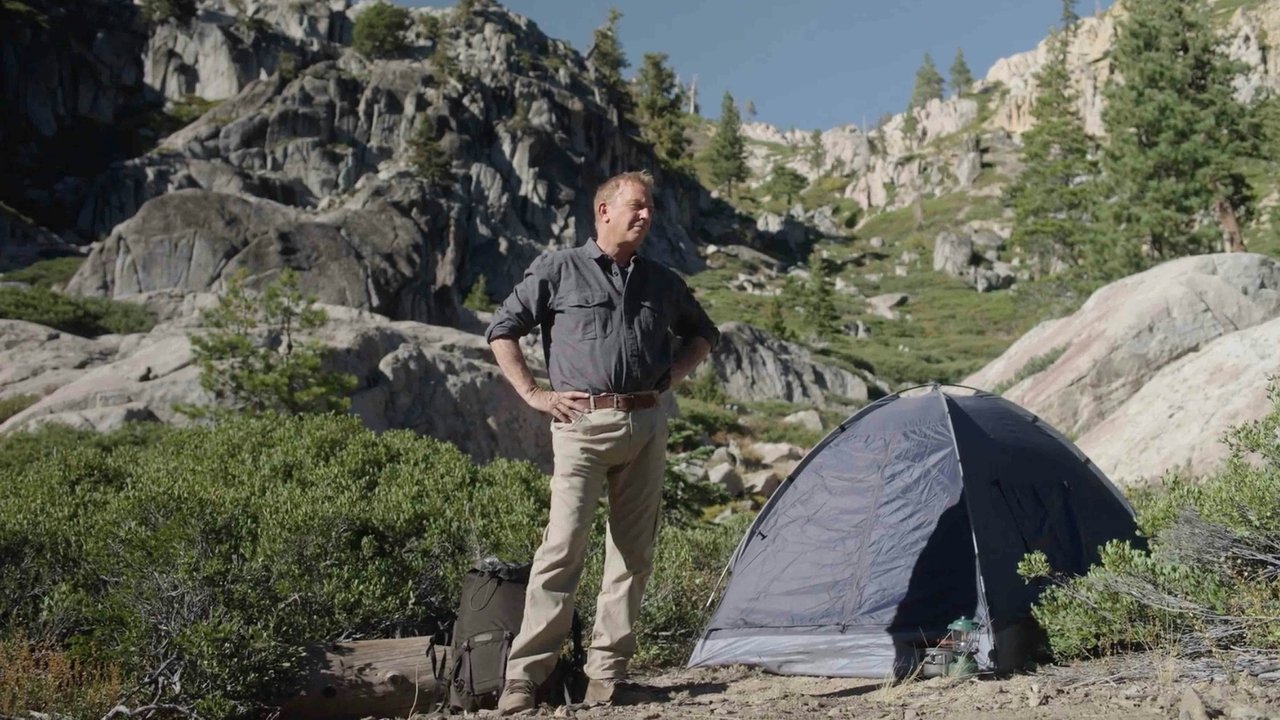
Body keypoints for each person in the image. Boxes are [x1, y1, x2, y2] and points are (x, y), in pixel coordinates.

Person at [484, 170, 719, 714]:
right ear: (603, 212)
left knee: (632, 557)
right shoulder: (558, 269)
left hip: (646, 427)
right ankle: (525, 679)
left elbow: (704, 332)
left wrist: (676, 375)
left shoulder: (661, 280)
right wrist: (534, 394)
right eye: (635, 206)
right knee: (562, 549)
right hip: (581, 429)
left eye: (650, 209)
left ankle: (606, 679)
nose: (645, 216)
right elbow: (502, 330)